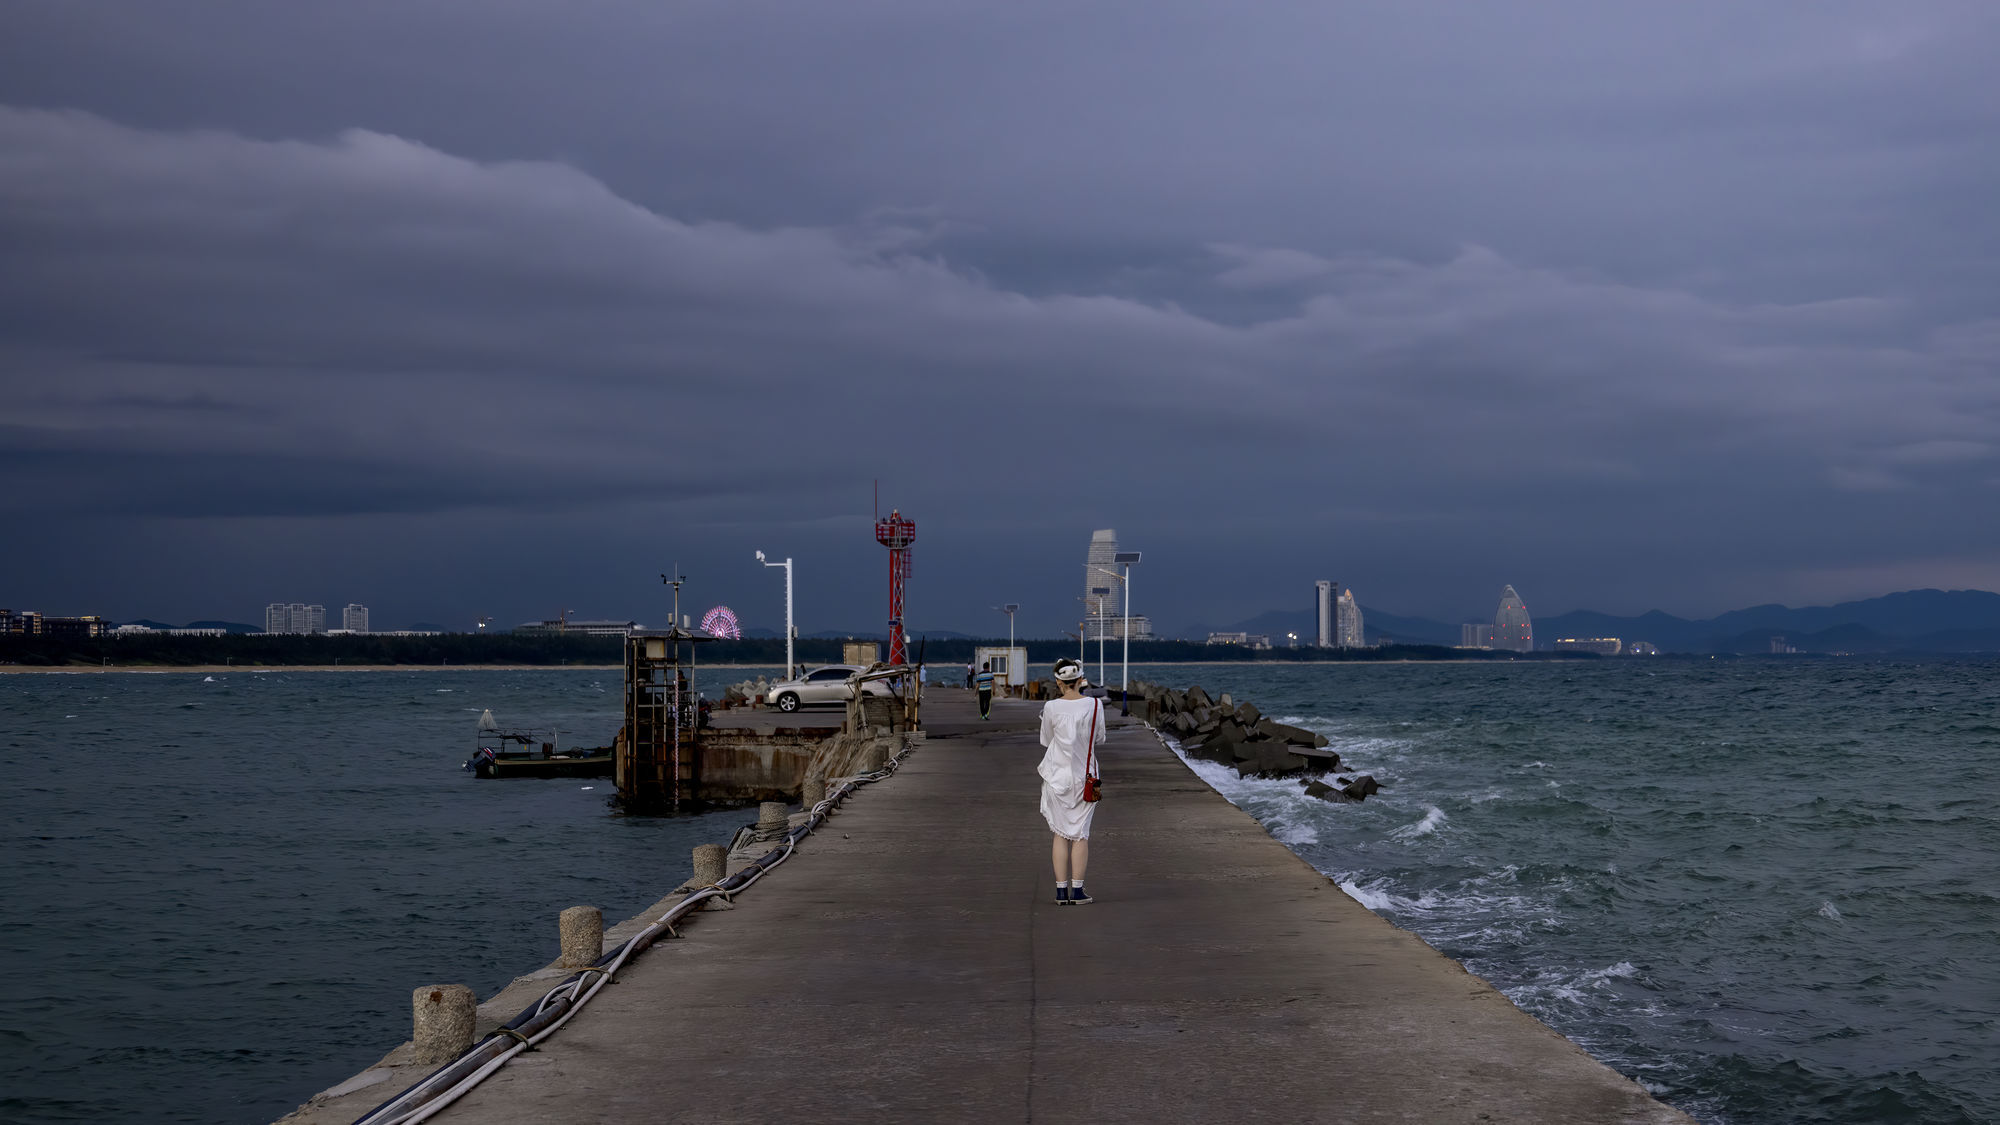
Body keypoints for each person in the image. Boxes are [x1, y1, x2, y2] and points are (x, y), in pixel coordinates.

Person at [1038, 658, 1103, 905]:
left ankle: (1060, 892)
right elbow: (1099, 738)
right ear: (1080, 680)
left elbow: (1046, 740)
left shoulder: (1051, 707)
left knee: (1059, 833)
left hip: (1056, 777)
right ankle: (1077, 891)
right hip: (1086, 779)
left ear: (1058, 682)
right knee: (1080, 834)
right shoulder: (1095, 705)